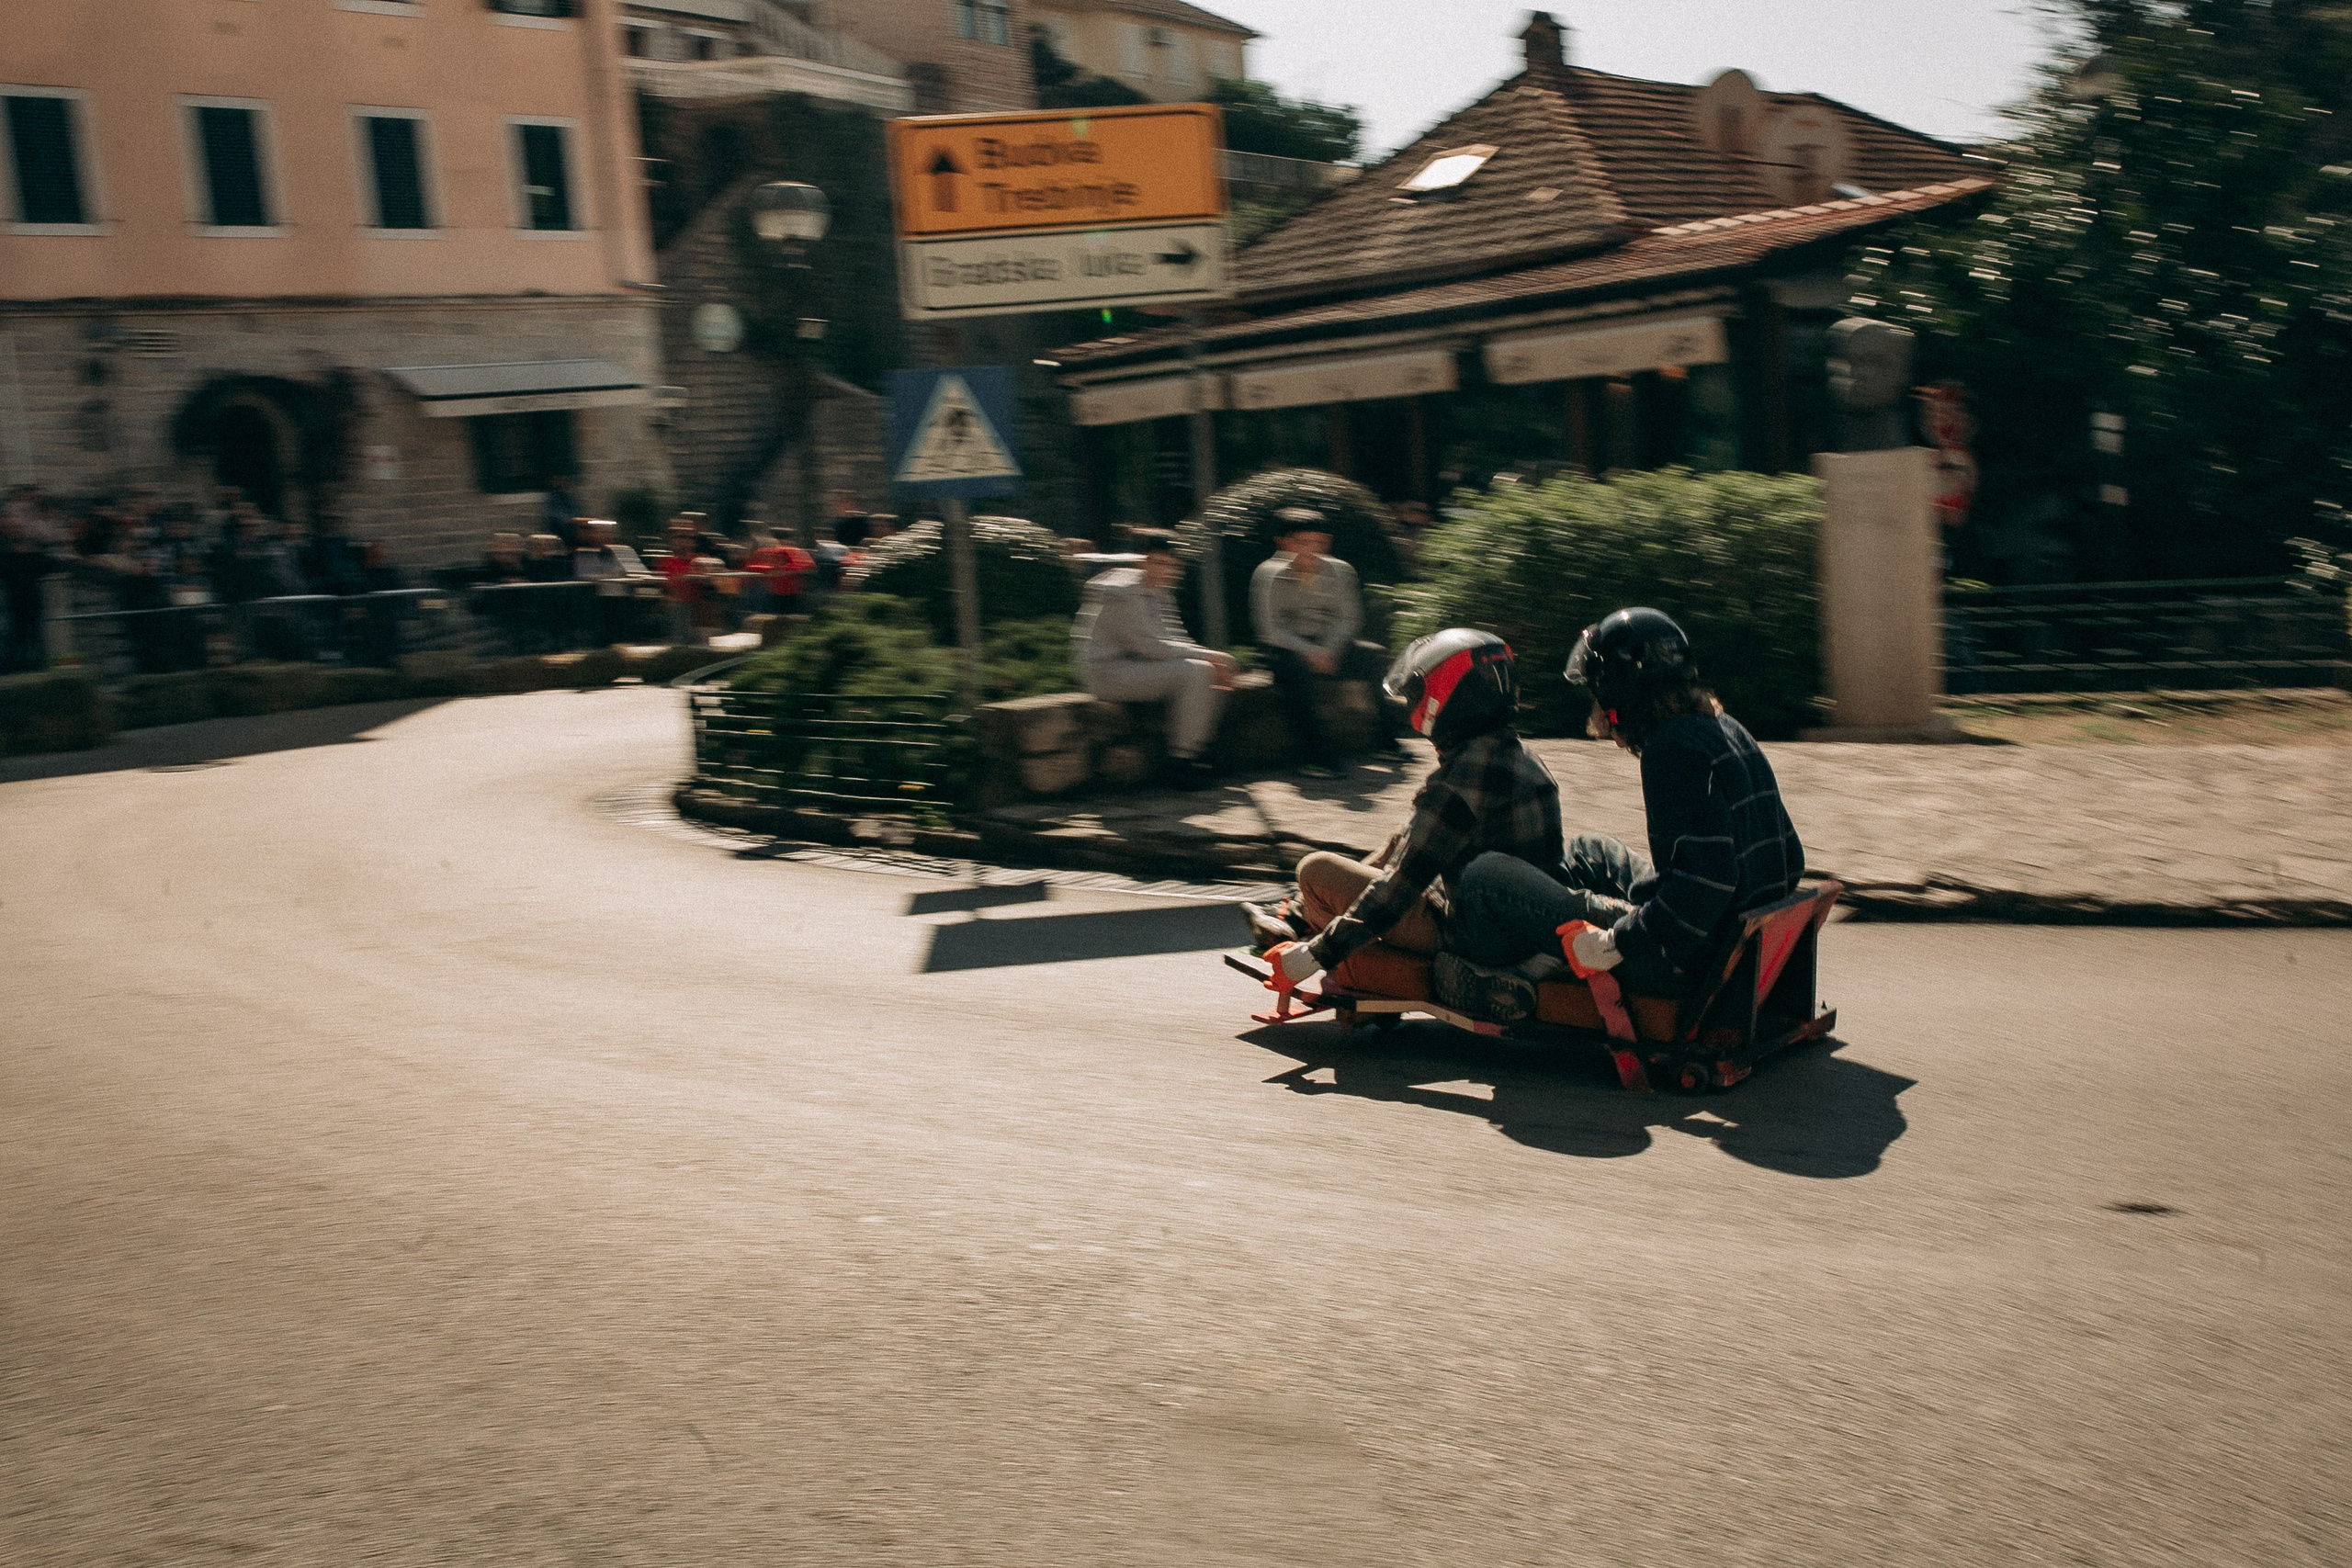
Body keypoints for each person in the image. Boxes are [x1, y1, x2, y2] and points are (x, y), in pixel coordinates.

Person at [1442, 607, 1806, 1015]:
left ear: (1621, 694)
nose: (1599, 712)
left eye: (1600, 696)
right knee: (1587, 851)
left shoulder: (1671, 750)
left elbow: (1708, 883)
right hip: (1723, 940)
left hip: (1679, 962)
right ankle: (1547, 931)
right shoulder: (1727, 728)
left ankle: (1506, 969)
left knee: (1484, 876)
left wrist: (1616, 943)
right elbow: (1791, 859)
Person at [1251, 629, 1565, 999]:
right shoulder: (1523, 757)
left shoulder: (1458, 781)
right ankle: (1298, 916)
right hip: (1521, 928)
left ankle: (1311, 928)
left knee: (1314, 870)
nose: (1412, 703)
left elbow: (1396, 890)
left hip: (1469, 938)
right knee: (1403, 835)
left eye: (1418, 693)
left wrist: (1312, 958)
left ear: (1447, 697)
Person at [1250, 507, 1408, 779]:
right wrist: (1309, 651)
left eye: (1317, 542)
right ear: (1284, 543)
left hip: (1330, 644)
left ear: (1327, 542)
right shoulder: (1268, 574)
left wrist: (1328, 649)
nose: (1310, 550)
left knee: (1370, 656)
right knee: (1294, 671)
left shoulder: (1340, 571)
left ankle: (1386, 741)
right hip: (1286, 647)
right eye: (1301, 542)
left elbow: (1348, 619)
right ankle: (1314, 756)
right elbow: (1268, 630)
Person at [1073, 528, 1236, 790]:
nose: (1165, 570)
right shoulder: (1124, 593)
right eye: (1157, 562)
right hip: (1107, 673)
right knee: (1197, 671)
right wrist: (1212, 656)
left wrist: (1213, 659)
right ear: (1142, 561)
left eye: (1171, 564)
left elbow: (1176, 639)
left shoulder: (1159, 591)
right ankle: (1180, 762)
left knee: (1207, 669)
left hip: (1136, 665)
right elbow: (1152, 646)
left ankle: (1196, 752)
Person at [742, 525, 814, 617]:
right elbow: (807, 565)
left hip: (780, 593)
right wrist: (774, 570)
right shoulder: (794, 551)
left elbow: (750, 567)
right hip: (781, 593)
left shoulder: (766, 551)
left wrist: (773, 570)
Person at [539, 470, 584, 550]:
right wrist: (568, 521)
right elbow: (551, 516)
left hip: (573, 539)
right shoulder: (551, 499)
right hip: (558, 537)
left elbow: (579, 513)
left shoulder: (572, 498)